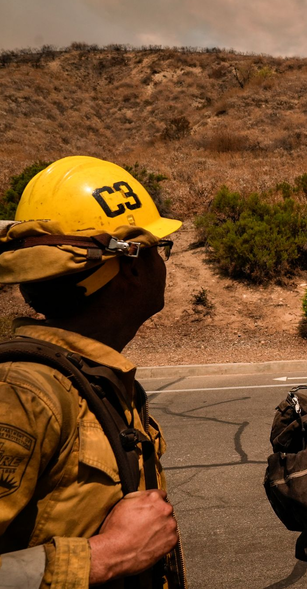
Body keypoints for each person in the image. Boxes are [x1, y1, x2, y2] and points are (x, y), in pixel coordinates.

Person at [0, 156, 186, 588]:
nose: (163, 263)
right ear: (132, 266)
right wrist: (105, 557)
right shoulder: (22, 394)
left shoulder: (90, 380)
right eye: (159, 248)